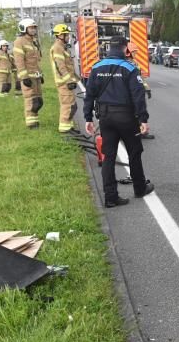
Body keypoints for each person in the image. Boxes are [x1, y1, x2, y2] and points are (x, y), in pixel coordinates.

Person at [83, 34, 154, 207]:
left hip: (106, 118)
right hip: (127, 117)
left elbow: (89, 95)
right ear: (124, 48)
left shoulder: (96, 67)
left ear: (109, 48)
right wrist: (143, 119)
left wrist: (88, 118)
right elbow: (138, 96)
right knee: (134, 153)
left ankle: (110, 197)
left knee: (108, 156)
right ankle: (139, 188)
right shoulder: (129, 68)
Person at [50, 23, 82, 134]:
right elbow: (60, 66)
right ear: (60, 35)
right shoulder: (57, 48)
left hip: (66, 81)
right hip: (64, 82)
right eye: (66, 35)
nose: (68, 37)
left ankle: (68, 126)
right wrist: (68, 80)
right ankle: (65, 130)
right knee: (68, 105)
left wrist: (75, 79)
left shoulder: (61, 47)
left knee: (71, 105)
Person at [12, 17, 43, 129]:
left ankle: (35, 120)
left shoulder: (33, 42)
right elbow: (19, 61)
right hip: (28, 77)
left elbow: (36, 60)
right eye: (31, 28)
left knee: (38, 101)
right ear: (24, 29)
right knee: (31, 100)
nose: (33, 30)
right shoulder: (19, 42)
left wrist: (40, 73)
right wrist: (24, 77)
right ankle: (31, 124)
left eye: (34, 28)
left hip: (36, 76)